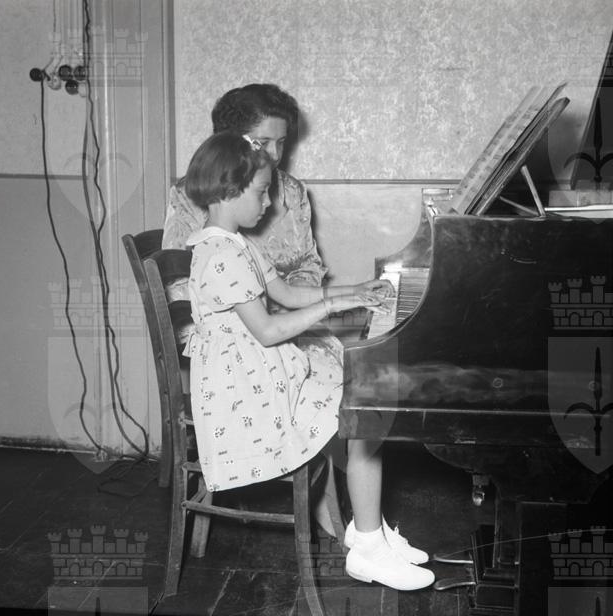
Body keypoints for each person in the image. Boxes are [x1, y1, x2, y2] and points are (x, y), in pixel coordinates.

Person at [181, 131, 435, 591]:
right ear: (228, 191)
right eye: (261, 192)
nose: (268, 204)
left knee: (361, 399)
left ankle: (367, 531)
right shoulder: (219, 256)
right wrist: (332, 307)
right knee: (365, 411)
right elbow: (268, 330)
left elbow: (286, 293)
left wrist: (353, 293)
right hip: (244, 395)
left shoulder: (237, 243)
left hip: (260, 370)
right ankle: (368, 546)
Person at [162, 83, 326, 300]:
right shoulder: (191, 194)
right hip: (218, 316)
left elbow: (309, 264)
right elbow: (178, 283)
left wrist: (290, 302)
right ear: (229, 142)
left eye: (281, 142)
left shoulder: (292, 191)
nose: (275, 154)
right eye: (263, 143)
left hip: (289, 311)